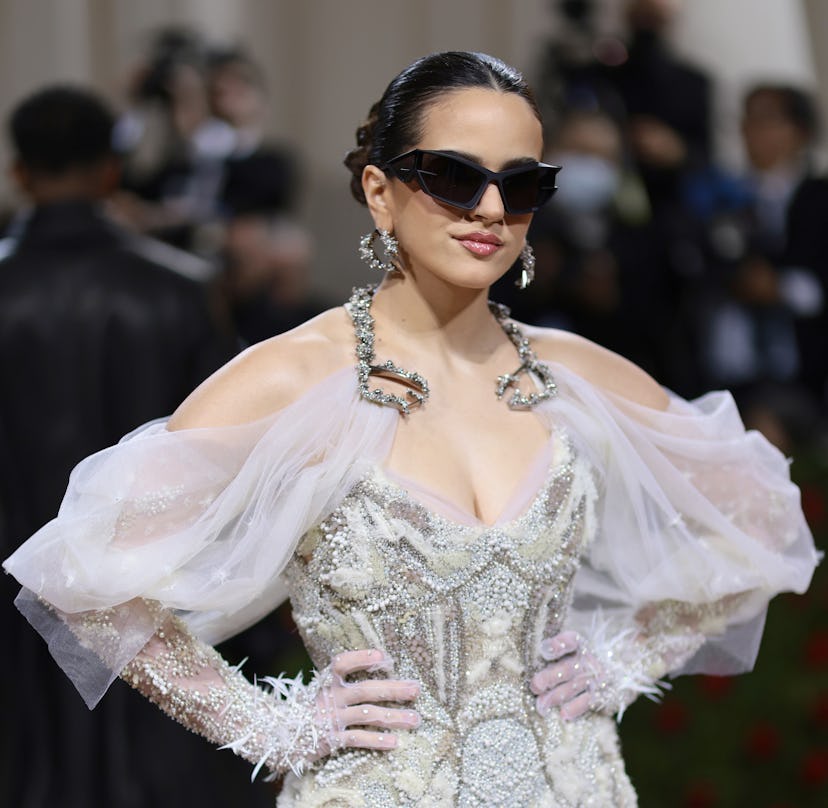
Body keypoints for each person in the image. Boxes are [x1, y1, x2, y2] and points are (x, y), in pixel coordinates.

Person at [4, 53, 819, 807]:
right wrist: (271, 725)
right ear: (379, 190)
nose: (492, 209)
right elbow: (82, 581)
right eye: (454, 176)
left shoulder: (573, 373)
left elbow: (762, 515)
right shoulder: (295, 376)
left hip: (579, 786)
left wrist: (623, 660)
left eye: (523, 184)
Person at [0, 85, 256, 808]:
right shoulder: (183, 290)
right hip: (158, 589)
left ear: (20, 170)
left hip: (14, 596)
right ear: (112, 170)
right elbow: (224, 458)